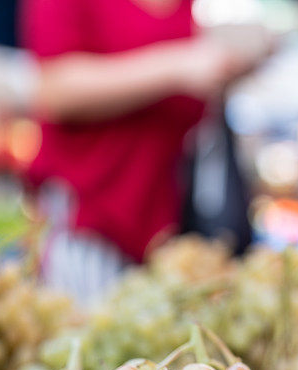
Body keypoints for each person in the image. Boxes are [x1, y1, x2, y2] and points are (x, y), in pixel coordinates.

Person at [20, 0, 266, 304]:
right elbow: (53, 90)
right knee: (93, 334)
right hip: (90, 213)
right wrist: (176, 66)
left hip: (161, 219)